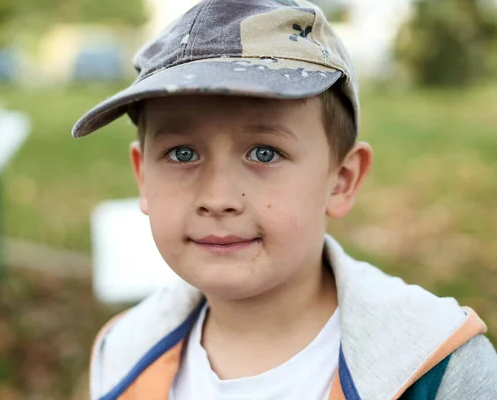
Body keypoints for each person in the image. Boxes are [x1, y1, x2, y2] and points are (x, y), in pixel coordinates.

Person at [71, 1, 497, 399]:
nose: (218, 199)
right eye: (183, 153)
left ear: (341, 181)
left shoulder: (438, 367)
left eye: (265, 153)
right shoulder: (122, 353)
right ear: (143, 177)